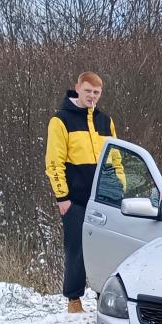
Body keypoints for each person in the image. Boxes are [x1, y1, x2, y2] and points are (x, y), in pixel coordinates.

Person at [44, 73, 118, 311]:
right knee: (76, 249)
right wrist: (62, 197)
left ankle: (103, 297)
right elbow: (54, 162)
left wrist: (119, 190)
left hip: (104, 199)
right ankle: (73, 299)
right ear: (78, 88)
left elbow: (116, 158)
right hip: (75, 199)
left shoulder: (106, 121)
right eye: (88, 91)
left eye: (96, 92)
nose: (92, 96)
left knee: (105, 249)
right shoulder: (61, 120)